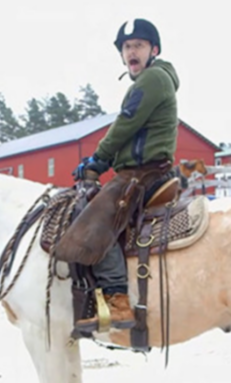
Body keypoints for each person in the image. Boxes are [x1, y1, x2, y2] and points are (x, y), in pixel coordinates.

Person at [54, 18, 180, 332]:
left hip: (143, 173)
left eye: (138, 45)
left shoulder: (153, 79)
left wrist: (97, 161)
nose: (131, 51)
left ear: (154, 50)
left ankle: (117, 299)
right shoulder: (151, 80)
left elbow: (124, 126)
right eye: (126, 47)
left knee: (94, 212)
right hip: (137, 170)